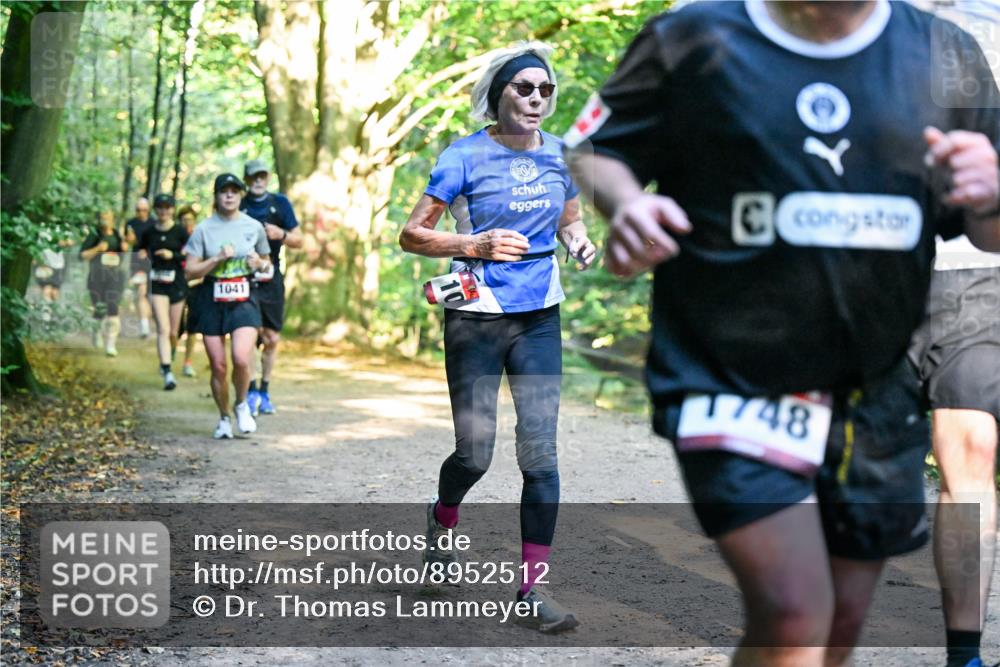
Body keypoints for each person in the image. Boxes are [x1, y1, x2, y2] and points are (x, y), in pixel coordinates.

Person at [564, 1, 1000, 665]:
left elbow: (988, 231)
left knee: (840, 621)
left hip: (875, 384)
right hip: (727, 367)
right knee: (796, 614)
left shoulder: (946, 52)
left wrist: (990, 195)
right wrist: (626, 204)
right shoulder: (693, 36)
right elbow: (594, 148)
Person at [399, 42, 596, 634]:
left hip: (540, 315)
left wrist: (579, 242)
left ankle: (531, 592)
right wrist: (474, 245)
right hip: (477, 315)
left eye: (546, 89)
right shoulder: (462, 156)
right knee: (475, 454)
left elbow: (570, 219)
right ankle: (442, 520)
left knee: (540, 455)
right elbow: (412, 235)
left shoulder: (562, 155)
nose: (537, 98)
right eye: (524, 87)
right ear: (500, 93)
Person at [184, 174, 271, 439]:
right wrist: (217, 259)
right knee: (219, 365)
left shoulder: (253, 226)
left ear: (241, 195)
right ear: (216, 196)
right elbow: (190, 271)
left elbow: (267, 263)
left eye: (235, 191)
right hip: (211, 297)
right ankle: (223, 417)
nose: (229, 196)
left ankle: (241, 403)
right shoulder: (203, 229)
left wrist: (260, 264)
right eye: (224, 191)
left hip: (244, 296)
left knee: (242, 359)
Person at [239, 159, 303, 416]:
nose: (258, 180)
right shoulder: (238, 205)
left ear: (267, 178)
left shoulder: (280, 204)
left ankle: (264, 391)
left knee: (271, 338)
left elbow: (300, 240)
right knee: (249, 336)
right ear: (247, 179)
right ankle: (250, 390)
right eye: (253, 176)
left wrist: (282, 235)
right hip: (243, 277)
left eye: (262, 176)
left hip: (271, 277)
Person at [138, 194, 189, 391]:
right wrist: (143, 257)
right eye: (160, 207)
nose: (163, 211)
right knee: (163, 329)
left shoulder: (180, 231)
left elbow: (190, 253)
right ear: (155, 209)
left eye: (167, 207)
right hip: (156, 283)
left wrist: (173, 255)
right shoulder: (149, 231)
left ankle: (170, 354)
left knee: (174, 332)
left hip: (176, 283)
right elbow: (140, 250)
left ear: (172, 210)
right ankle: (167, 371)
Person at [80, 209, 129, 357]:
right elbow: (82, 255)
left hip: (114, 278)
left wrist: (125, 248)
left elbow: (123, 253)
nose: (104, 220)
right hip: (96, 278)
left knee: (113, 308)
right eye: (102, 217)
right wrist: (98, 249)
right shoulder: (94, 235)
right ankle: (96, 331)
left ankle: (110, 345)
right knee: (100, 308)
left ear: (112, 219)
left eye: (107, 217)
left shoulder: (116, 234)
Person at [125, 197, 155, 339]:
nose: (141, 213)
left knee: (151, 296)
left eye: (144, 210)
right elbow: (127, 242)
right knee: (141, 293)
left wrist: (148, 252)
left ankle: (149, 321)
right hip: (137, 264)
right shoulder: (130, 224)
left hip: (155, 264)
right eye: (138, 210)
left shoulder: (154, 223)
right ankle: (144, 326)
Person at [178, 205, 201, 378]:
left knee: (192, 327)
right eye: (184, 220)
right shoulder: (176, 237)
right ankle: (168, 357)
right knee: (176, 327)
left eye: (190, 220)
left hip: (196, 287)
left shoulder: (201, 237)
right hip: (177, 286)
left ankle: (188, 362)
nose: (187, 223)